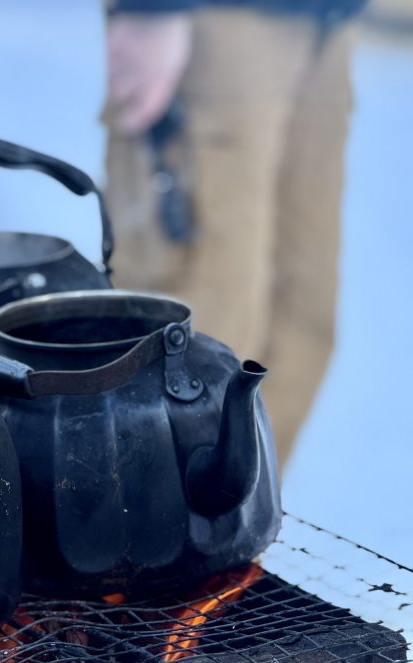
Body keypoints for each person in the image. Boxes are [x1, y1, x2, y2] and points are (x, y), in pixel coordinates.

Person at [102, 0, 365, 464]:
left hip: (326, 23)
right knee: (196, 340)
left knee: (299, 326)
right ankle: (157, 528)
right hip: (216, 26)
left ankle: (235, 527)